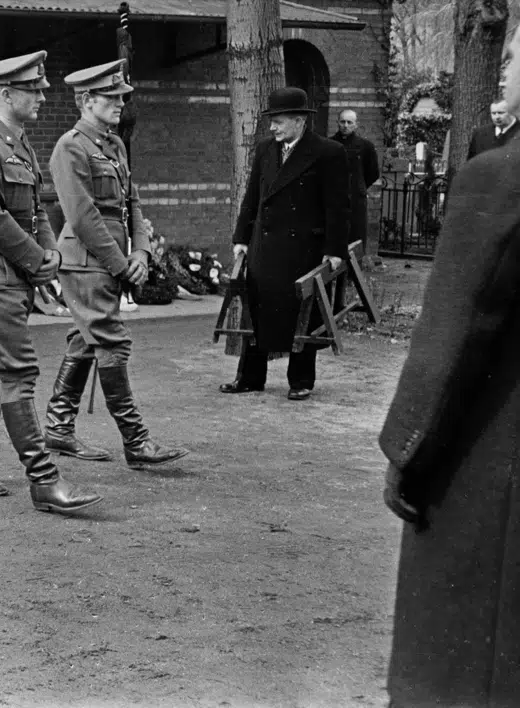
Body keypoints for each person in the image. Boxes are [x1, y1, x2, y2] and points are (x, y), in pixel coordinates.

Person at [378, 45, 520, 708]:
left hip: (492, 457)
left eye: (513, 55)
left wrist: (407, 450)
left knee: (461, 666)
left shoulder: (500, 176)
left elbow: (456, 330)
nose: (504, 68)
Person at [0, 50, 101, 514]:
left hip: (8, 274)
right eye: (33, 90)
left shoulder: (20, 144)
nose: (43, 97)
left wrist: (51, 254)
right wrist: (33, 259)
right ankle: (44, 481)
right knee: (19, 373)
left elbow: (34, 209)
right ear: (5, 94)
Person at [42, 60, 189, 467]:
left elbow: (131, 203)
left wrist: (141, 253)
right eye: (112, 97)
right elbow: (82, 216)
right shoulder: (70, 146)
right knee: (111, 340)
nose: (121, 103)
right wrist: (121, 264)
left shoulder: (115, 145)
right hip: (86, 259)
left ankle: (58, 428)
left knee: (85, 338)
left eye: (122, 96)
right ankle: (136, 442)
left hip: (111, 258)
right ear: (87, 100)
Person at [223, 87, 348, 401]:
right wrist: (241, 238)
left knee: (302, 311)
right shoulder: (265, 149)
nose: (272, 127)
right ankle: (249, 377)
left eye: (278, 121)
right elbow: (252, 196)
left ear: (299, 120)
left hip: (303, 249)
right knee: (256, 310)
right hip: (264, 246)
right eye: (272, 121)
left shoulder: (328, 152)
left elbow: (338, 206)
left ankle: (301, 380)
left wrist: (334, 250)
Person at [331, 109, 380, 261]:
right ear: (337, 123)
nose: (345, 125)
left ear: (356, 125)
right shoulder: (329, 145)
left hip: (356, 201)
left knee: (356, 237)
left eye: (349, 122)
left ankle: (354, 271)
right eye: (342, 122)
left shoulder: (366, 146)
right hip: (334, 200)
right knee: (335, 236)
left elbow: (373, 173)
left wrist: (358, 186)